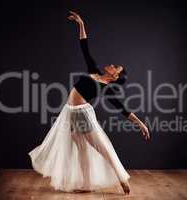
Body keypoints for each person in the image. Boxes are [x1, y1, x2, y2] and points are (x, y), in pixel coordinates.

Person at [28, 11, 150, 195]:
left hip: (81, 113)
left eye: (116, 67)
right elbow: (84, 47)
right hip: (70, 112)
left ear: (115, 76)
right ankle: (86, 184)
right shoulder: (94, 71)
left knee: (101, 146)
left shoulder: (107, 89)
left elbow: (122, 110)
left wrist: (140, 124)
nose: (112, 64)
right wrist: (81, 24)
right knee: (81, 149)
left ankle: (121, 178)